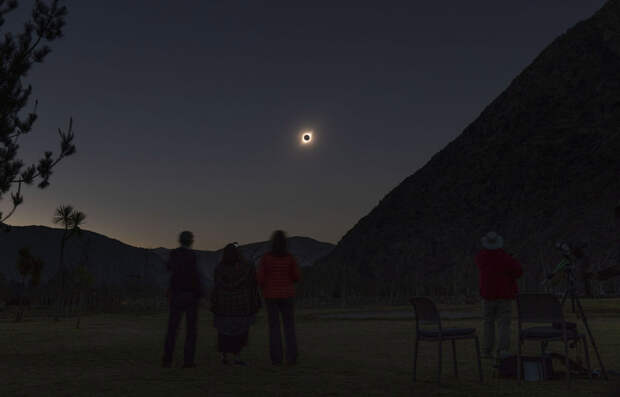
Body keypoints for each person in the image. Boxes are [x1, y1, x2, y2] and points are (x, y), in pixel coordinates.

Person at [475, 231, 522, 361]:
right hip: (504, 295)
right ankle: (502, 350)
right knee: (503, 324)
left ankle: (487, 350)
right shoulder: (506, 258)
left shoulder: (481, 257)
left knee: (488, 323)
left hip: (487, 295)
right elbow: (518, 272)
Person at [211, 243, 261, 365]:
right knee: (240, 332)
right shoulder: (246, 268)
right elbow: (253, 283)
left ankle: (224, 357)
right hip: (241, 306)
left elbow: (216, 286)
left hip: (224, 306)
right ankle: (237, 357)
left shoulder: (219, 268)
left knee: (223, 332)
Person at [257, 230, 301, 365]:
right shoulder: (290, 258)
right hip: (287, 295)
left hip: (270, 296)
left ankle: (276, 359)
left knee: (274, 328)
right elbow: (296, 277)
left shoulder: (266, 258)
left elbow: (260, 278)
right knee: (289, 328)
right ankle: (292, 358)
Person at [162, 231, 203, 368]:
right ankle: (188, 361)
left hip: (176, 294)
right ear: (191, 241)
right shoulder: (192, 256)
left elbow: (169, 268)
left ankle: (167, 359)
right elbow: (195, 276)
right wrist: (199, 293)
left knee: (173, 328)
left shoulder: (174, 254)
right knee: (191, 330)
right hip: (190, 294)